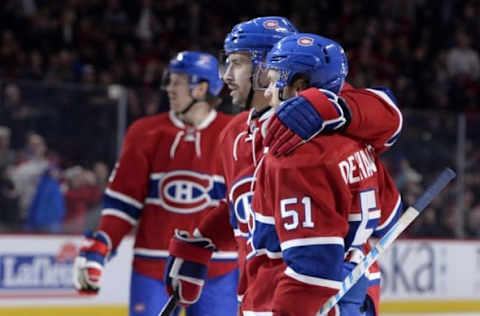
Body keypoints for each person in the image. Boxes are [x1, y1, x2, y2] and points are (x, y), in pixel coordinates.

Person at [164, 17, 403, 316]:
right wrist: (202, 241)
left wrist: (337, 108)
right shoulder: (234, 134)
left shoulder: (324, 124)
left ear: (267, 68)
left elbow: (387, 112)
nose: (225, 76)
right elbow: (243, 206)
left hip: (316, 296)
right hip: (264, 295)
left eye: (236, 63)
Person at [246, 33, 403, 315]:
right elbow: (391, 215)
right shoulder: (357, 141)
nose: (267, 92)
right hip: (349, 292)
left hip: (295, 301)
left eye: (272, 81)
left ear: (299, 86)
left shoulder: (296, 157)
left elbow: (312, 271)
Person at [73, 51, 238, 316]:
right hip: (153, 267)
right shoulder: (144, 133)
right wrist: (102, 245)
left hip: (218, 268)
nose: (169, 88)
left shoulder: (235, 132)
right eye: (170, 80)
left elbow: (243, 205)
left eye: (178, 81)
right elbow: (122, 205)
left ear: (202, 87)